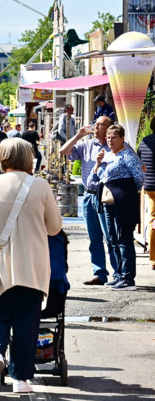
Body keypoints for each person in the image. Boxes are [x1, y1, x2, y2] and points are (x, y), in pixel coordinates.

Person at [0, 139, 62, 394]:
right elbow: (54, 227)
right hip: (33, 266)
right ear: (29, 157)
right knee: (27, 322)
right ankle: (20, 380)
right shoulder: (40, 186)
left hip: (0, 264)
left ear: (1, 157)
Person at [88, 124, 144, 291]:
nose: (110, 141)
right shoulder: (107, 155)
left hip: (123, 200)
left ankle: (128, 278)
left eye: (113, 138)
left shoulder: (127, 155)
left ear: (122, 139)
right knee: (112, 239)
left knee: (124, 238)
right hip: (107, 201)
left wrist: (127, 192)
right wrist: (98, 163)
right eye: (108, 138)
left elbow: (139, 177)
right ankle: (118, 274)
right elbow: (94, 178)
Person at [60, 116, 113, 285]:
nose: (96, 127)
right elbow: (64, 151)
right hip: (89, 195)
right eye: (95, 124)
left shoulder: (115, 145)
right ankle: (100, 273)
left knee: (110, 236)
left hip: (107, 195)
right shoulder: (87, 145)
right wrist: (78, 136)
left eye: (100, 125)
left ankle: (119, 273)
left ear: (109, 128)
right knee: (94, 237)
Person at [137, 117, 155, 273]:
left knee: (153, 220)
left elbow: (139, 161)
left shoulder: (144, 141)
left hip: (149, 186)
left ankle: (153, 257)